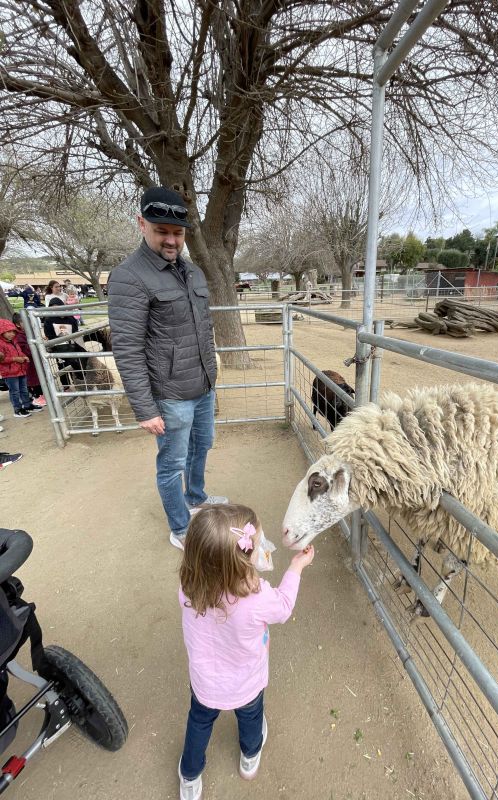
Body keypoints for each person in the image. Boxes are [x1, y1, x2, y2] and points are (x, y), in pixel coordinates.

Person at [108, 186, 227, 550]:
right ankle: (180, 528)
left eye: (177, 232)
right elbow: (127, 348)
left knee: (202, 445)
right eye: (162, 231)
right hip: (171, 394)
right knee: (171, 461)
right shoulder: (129, 276)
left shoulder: (191, 272)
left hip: (202, 385)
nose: (171, 240)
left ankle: (195, 498)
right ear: (141, 224)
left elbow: (202, 329)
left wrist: (211, 378)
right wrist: (145, 408)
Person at [177, 504, 314, 800]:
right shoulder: (256, 596)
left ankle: (190, 774)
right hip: (247, 682)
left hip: (205, 684)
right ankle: (250, 757)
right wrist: (295, 567)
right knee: (251, 718)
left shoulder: (188, 586)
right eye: (255, 547)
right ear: (240, 562)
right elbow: (284, 607)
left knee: (199, 722)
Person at [0, 320, 44, 419]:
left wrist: (24, 356)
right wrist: (15, 359)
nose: (11, 334)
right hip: (10, 373)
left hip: (21, 370)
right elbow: (1, 359)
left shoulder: (14, 341)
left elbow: (19, 352)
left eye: (13, 331)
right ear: (2, 332)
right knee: (14, 391)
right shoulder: (1, 344)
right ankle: (17, 409)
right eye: (8, 332)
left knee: (24, 389)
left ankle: (27, 405)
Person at [12, 314, 45, 404]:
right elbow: (23, 349)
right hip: (28, 362)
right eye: (24, 322)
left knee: (40, 376)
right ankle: (37, 397)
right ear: (18, 324)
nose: (28, 324)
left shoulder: (30, 332)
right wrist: (33, 345)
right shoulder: (18, 336)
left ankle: (40, 395)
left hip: (35, 359)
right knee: (33, 379)